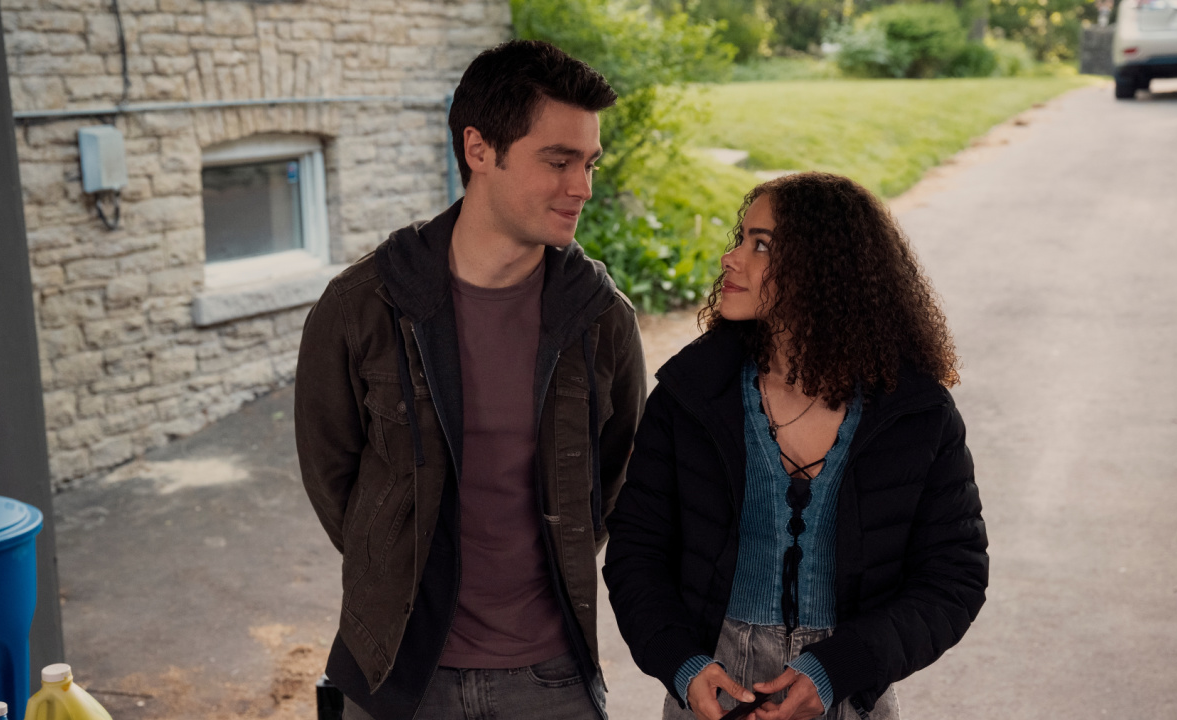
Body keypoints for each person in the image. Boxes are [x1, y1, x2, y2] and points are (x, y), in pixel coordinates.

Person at [295, 40, 646, 720]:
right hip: (397, 674)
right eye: (558, 161)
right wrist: (396, 558)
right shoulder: (362, 306)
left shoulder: (600, 317)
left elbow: (612, 480)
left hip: (551, 679)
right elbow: (333, 478)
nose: (583, 187)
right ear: (479, 149)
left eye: (589, 163)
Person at [603, 172, 988, 720]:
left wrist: (839, 668)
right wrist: (682, 665)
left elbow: (954, 577)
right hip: (711, 692)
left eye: (761, 245)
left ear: (825, 268)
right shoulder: (689, 397)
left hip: (849, 690)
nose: (731, 258)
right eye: (742, 239)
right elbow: (636, 552)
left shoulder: (916, 414)